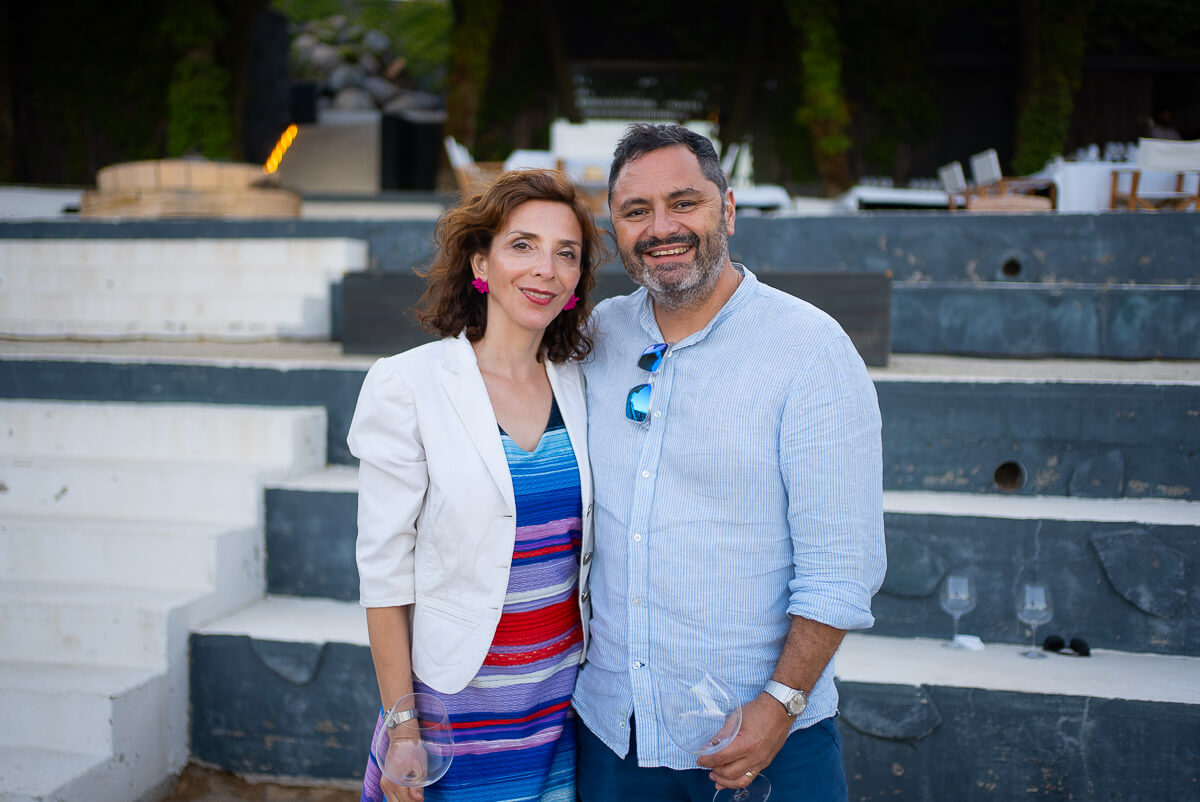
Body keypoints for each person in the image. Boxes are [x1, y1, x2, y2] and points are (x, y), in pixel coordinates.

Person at [573, 123, 886, 802]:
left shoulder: (810, 349)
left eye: (684, 203)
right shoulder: (596, 339)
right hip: (613, 735)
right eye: (636, 211)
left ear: (729, 210)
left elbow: (842, 567)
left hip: (763, 738)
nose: (662, 228)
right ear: (614, 228)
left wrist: (781, 703)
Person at [348, 169, 607, 802]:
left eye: (566, 253)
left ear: (577, 280)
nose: (545, 268)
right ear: (481, 263)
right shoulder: (407, 385)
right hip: (451, 710)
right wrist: (403, 727)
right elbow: (383, 573)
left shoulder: (584, 384)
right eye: (523, 245)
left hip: (558, 705)